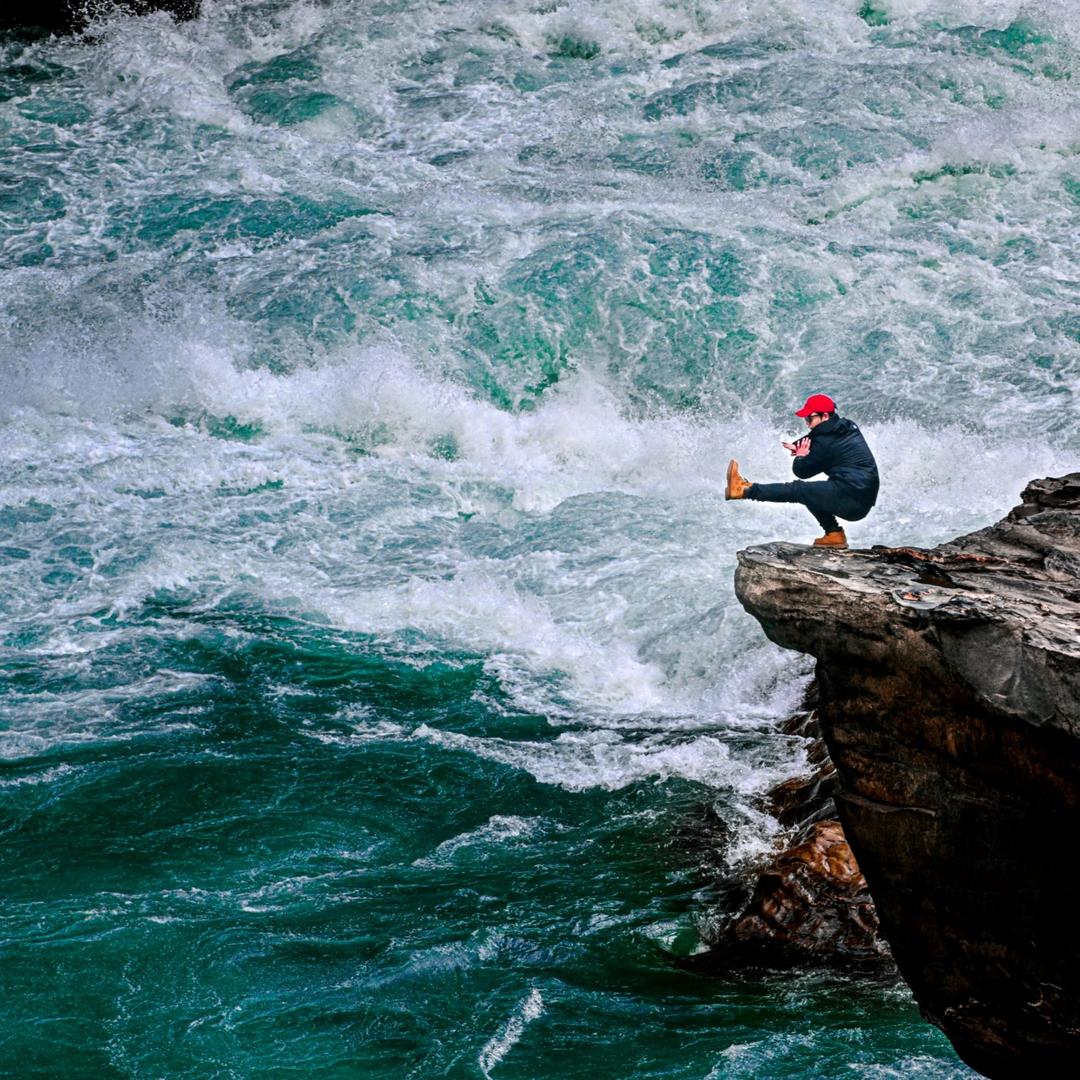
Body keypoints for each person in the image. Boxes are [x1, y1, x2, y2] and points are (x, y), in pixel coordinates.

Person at [725, 393, 879, 549]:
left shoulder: (823, 443)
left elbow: (801, 472)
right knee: (812, 493)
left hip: (851, 500)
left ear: (824, 416)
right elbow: (816, 438)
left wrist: (800, 457)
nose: (807, 423)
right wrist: (798, 445)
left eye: (809, 419)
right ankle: (834, 535)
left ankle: (744, 490)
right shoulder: (846, 425)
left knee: (799, 489)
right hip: (860, 496)